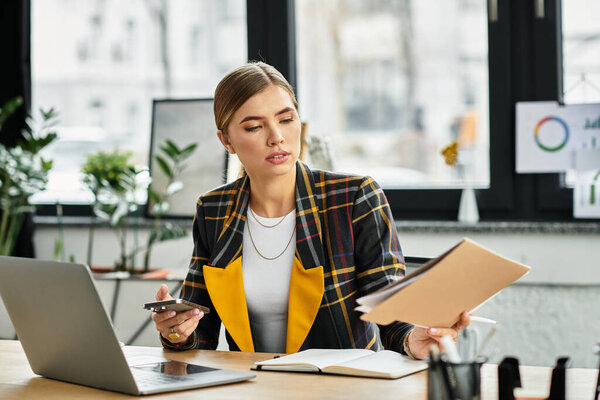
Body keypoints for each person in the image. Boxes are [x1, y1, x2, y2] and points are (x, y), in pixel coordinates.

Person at [152, 61, 470, 360]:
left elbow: (388, 309)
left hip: (343, 388)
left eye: (286, 119)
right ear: (227, 141)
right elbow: (199, 330)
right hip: (252, 388)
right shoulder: (213, 210)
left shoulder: (354, 197)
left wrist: (413, 337)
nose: (277, 137)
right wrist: (177, 333)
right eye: (253, 127)